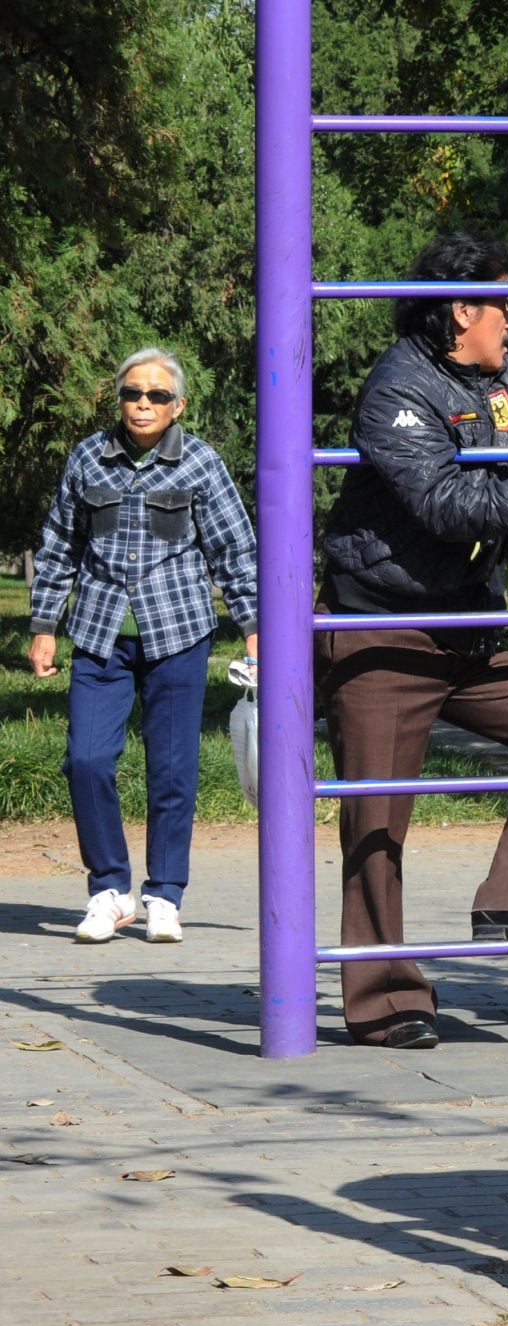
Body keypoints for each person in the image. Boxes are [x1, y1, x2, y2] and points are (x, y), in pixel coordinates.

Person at [318, 232, 508, 1051]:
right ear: (462, 310)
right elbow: (446, 504)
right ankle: (385, 1000)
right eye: (504, 304)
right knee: (376, 820)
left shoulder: (498, 375)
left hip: (464, 627)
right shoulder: (397, 390)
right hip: (382, 630)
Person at [28, 348, 258, 945]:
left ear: (178, 405)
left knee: (173, 770)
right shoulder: (88, 459)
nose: (144, 404)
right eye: (134, 393)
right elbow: (58, 546)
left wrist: (254, 626)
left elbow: (236, 552)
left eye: (158, 396)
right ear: (120, 398)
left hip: (178, 634)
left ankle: (164, 895)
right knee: (86, 760)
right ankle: (108, 889)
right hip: (101, 636)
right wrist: (44, 625)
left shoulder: (201, 463)